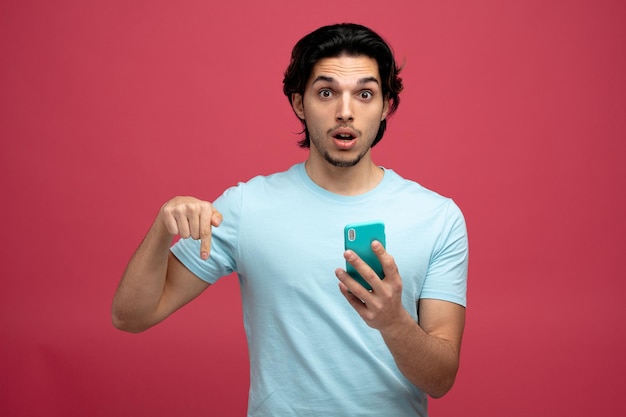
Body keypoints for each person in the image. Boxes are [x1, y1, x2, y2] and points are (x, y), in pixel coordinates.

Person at [112, 23, 468, 416]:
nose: (345, 112)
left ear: (385, 105)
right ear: (300, 103)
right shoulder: (247, 207)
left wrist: (394, 322)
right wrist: (163, 229)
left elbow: (441, 380)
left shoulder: (437, 217)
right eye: (326, 92)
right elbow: (130, 317)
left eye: (364, 94)